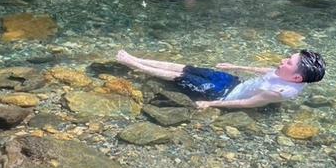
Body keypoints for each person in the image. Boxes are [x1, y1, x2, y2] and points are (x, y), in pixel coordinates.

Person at [115, 49, 325, 109]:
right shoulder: (289, 75)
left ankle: (134, 65)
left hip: (222, 94)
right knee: (186, 68)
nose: (282, 60)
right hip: (232, 82)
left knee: (179, 76)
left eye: (288, 62)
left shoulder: (278, 92)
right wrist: (235, 67)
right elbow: (266, 71)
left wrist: (211, 104)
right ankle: (138, 59)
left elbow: (246, 103)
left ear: (296, 77)